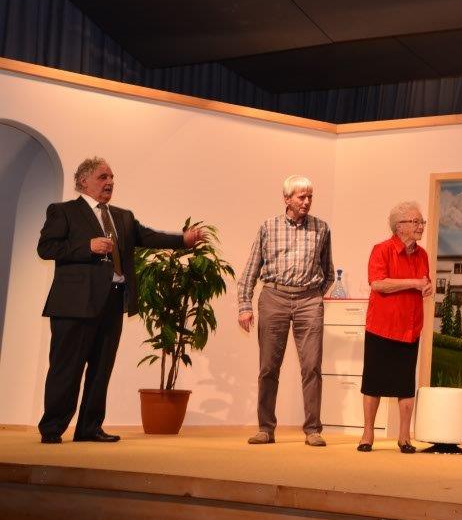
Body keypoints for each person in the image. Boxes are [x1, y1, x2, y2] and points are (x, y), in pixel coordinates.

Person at [37, 157, 205, 444]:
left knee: (101, 369)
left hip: (112, 301)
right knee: (67, 369)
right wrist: (86, 246)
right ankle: (52, 428)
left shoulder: (122, 216)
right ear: (83, 181)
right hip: (74, 305)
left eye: (112, 177)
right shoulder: (63, 211)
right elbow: (46, 247)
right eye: (103, 177)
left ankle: (89, 428)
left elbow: (148, 237)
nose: (110, 182)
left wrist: (182, 240)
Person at [238, 175, 334, 447]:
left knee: (312, 367)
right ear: (287, 199)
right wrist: (245, 306)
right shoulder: (268, 227)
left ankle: (313, 430)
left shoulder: (321, 228)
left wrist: (313, 296)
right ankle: (265, 429)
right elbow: (251, 269)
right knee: (268, 367)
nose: (307, 201)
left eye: (310, 196)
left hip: (309, 300)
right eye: (301, 197)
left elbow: (328, 272)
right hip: (274, 297)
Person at [358, 202, 432, 453]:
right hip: (382, 327)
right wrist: (414, 283)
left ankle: (404, 438)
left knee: (405, 385)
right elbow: (378, 283)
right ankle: (367, 435)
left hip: (410, 329)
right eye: (416, 222)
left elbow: (424, 282)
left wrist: (426, 287)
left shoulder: (422, 255)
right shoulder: (381, 250)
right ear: (399, 226)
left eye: (422, 222)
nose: (421, 226)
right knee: (373, 383)